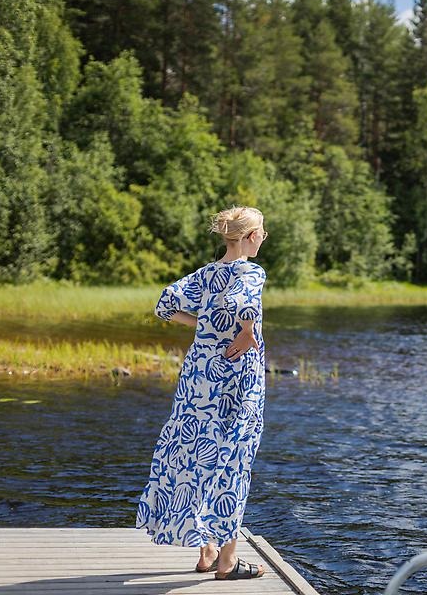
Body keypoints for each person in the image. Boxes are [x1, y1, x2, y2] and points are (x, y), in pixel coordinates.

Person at [135, 205, 269, 580]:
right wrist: (245, 331)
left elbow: (165, 305)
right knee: (232, 461)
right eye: (263, 231)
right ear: (251, 237)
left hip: (197, 381)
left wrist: (205, 325)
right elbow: (242, 301)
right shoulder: (250, 271)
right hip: (234, 382)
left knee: (197, 454)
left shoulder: (207, 273)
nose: (264, 237)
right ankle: (226, 563)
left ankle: (207, 550)